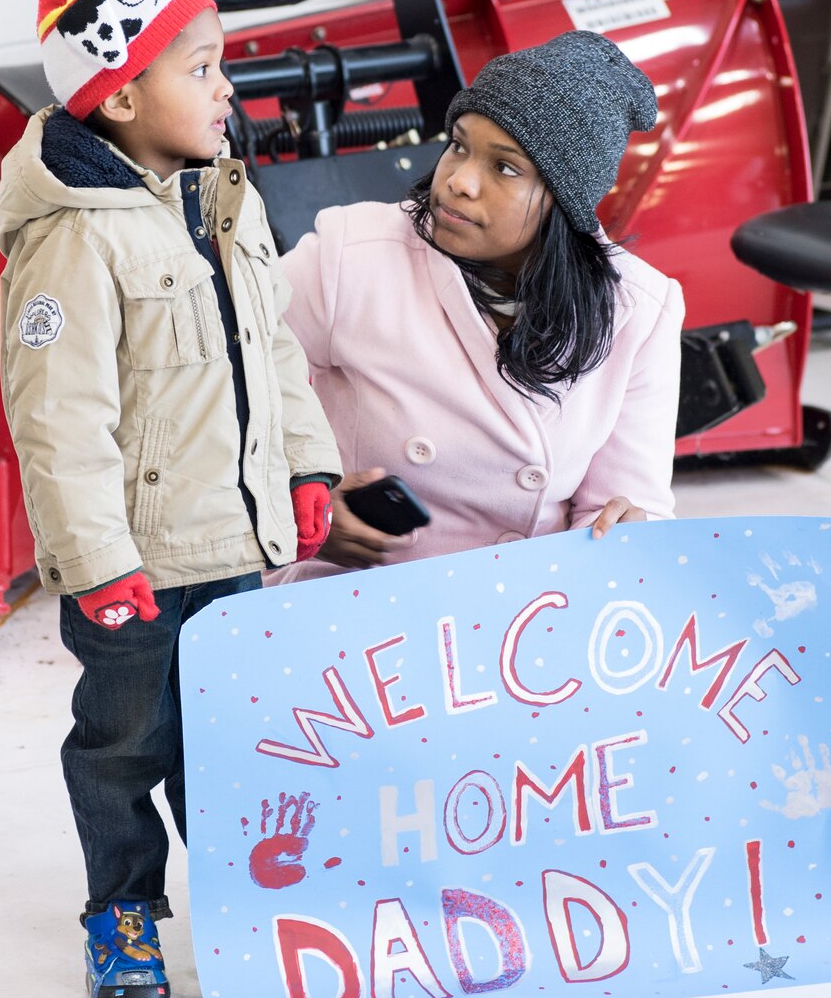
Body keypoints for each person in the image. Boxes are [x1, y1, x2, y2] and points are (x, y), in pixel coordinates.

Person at [0, 0, 342, 998]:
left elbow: (272, 348)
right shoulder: (71, 240)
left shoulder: (222, 198)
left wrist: (306, 462)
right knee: (124, 745)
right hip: (138, 568)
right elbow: (58, 424)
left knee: (234, 745)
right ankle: (124, 911)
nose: (227, 91)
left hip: (235, 545)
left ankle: (247, 913)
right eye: (202, 69)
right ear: (122, 91)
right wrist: (96, 564)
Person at [270, 29, 682, 583]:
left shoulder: (636, 309)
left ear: (566, 200)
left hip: (523, 618)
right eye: (458, 145)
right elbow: (217, 401)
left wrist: (628, 529)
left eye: (505, 168)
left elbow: (626, 502)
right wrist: (301, 511)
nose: (458, 181)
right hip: (352, 615)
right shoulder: (354, 255)